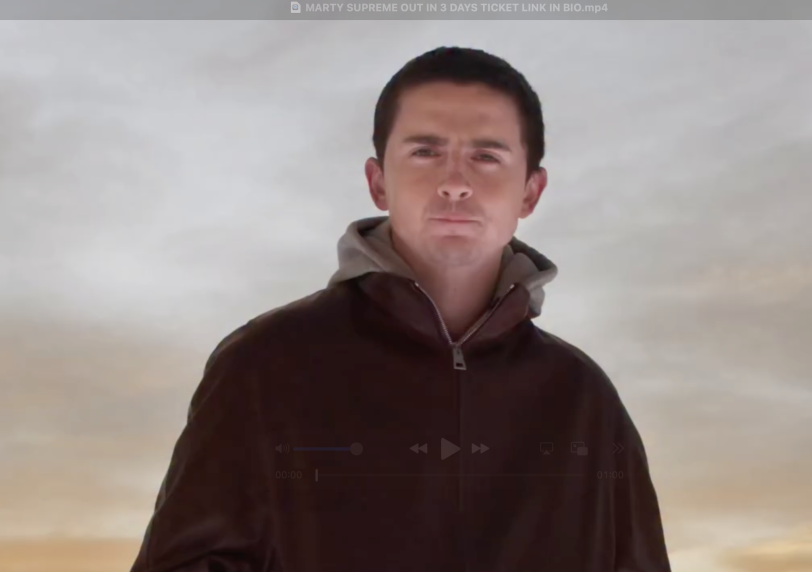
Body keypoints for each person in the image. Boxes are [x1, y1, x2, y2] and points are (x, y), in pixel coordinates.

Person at [129, 46, 671, 572]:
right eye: (425, 152)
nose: (455, 183)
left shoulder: (583, 399)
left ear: (530, 191)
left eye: (486, 156)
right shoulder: (264, 366)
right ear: (377, 181)